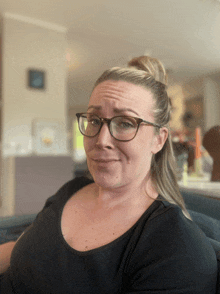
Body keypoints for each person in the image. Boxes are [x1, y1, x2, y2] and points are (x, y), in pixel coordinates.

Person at [0, 56, 217, 293]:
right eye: (94, 120)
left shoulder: (176, 248)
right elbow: (18, 250)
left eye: (125, 123)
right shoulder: (72, 189)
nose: (101, 141)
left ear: (159, 139)